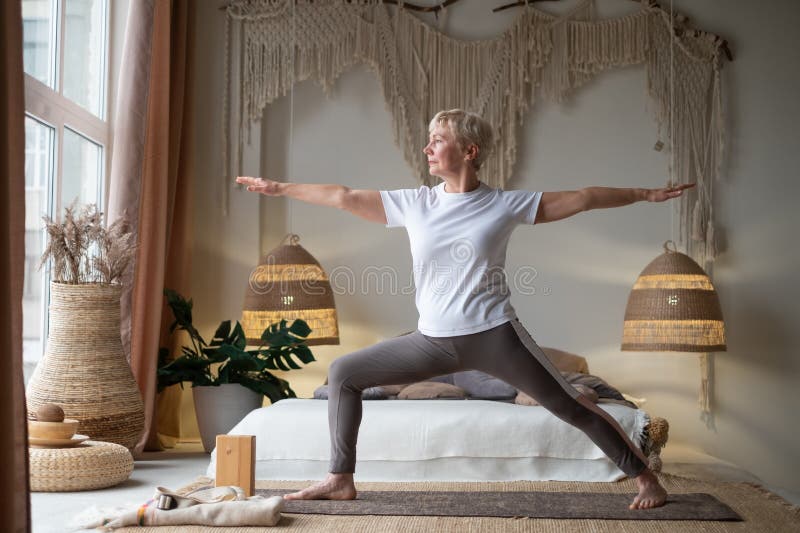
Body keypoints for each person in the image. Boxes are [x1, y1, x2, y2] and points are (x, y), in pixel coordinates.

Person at [236, 109, 693, 510]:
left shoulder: (503, 204)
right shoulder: (415, 203)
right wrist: (280, 188)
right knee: (344, 374)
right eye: (429, 139)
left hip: (496, 336)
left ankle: (645, 476)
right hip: (431, 342)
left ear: (470, 150)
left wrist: (644, 194)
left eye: (438, 140)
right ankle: (340, 479)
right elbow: (342, 194)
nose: (427, 148)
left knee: (572, 406)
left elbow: (585, 197)